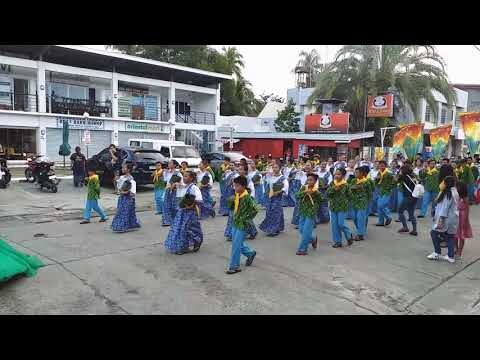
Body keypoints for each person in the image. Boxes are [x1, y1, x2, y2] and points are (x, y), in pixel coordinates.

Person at [164, 171, 203, 255]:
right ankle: (182, 246)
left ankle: (197, 241)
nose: (183, 178)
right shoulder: (182, 186)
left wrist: (191, 206)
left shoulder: (194, 188)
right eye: (183, 176)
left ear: (191, 178)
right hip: (181, 211)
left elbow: (199, 200)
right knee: (179, 228)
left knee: (190, 229)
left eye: (186, 176)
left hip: (190, 212)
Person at [225, 175, 258, 274]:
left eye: (237, 186)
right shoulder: (237, 195)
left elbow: (255, 210)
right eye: (234, 186)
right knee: (236, 242)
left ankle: (234, 266)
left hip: (242, 224)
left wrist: (246, 218)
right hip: (235, 222)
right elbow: (232, 208)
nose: (235, 188)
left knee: (235, 245)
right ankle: (250, 253)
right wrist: (230, 201)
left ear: (244, 186)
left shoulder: (247, 197)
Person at [427, 176, 459, 263]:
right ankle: (450, 256)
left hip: (446, 219)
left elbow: (444, 208)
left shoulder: (448, 193)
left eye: (443, 182)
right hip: (453, 219)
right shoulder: (454, 191)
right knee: (449, 236)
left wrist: (440, 220)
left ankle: (437, 252)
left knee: (433, 233)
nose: (442, 184)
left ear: (446, 183)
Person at [295, 173, 323, 255]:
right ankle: (312, 239)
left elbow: (322, 199)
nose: (309, 181)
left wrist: (315, 193)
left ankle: (303, 249)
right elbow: (297, 196)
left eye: (311, 180)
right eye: (308, 179)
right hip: (303, 211)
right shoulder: (304, 187)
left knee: (306, 231)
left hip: (311, 212)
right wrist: (304, 192)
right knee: (301, 229)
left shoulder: (316, 190)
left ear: (315, 181)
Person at [259, 162, 288, 237]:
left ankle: (274, 230)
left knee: (275, 212)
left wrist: (280, 191)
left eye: (276, 167)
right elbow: (262, 176)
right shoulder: (270, 176)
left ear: (280, 168)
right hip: (270, 197)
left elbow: (286, 187)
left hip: (277, 198)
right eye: (273, 167)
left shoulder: (283, 178)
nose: (274, 169)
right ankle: (277, 227)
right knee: (269, 212)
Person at [327, 168, 353, 248]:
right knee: (334, 225)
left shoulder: (346, 185)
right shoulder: (332, 183)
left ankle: (348, 235)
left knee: (340, 224)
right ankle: (337, 241)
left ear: (343, 175)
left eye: (339, 174)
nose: (336, 176)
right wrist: (333, 189)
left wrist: (346, 202)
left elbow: (350, 196)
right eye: (336, 174)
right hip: (333, 206)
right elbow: (328, 193)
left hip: (342, 207)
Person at [111, 163, 140, 233]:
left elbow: (132, 192)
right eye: (122, 168)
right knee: (121, 212)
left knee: (125, 213)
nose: (122, 169)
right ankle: (130, 225)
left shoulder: (131, 179)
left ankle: (122, 226)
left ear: (128, 169)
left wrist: (124, 193)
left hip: (128, 199)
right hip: (122, 198)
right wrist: (115, 181)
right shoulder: (121, 177)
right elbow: (118, 187)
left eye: (124, 168)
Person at [350, 167, 374, 241]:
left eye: (357, 172)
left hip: (363, 202)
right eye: (355, 172)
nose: (355, 174)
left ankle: (360, 234)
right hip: (354, 201)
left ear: (362, 174)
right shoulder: (353, 180)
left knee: (360, 218)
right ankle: (361, 230)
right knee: (354, 217)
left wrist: (368, 202)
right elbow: (349, 189)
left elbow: (370, 193)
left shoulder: (366, 182)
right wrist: (352, 188)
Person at [396, 164, 418, 236]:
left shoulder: (403, 177)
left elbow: (395, 180)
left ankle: (405, 227)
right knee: (411, 213)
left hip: (407, 197)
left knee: (400, 211)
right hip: (414, 197)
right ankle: (414, 230)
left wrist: (398, 173)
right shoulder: (413, 176)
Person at [161, 160, 183, 227]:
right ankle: (166, 221)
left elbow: (181, 183)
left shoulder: (178, 173)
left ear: (174, 165)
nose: (168, 164)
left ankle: (175, 219)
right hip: (167, 191)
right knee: (165, 205)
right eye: (168, 163)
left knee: (174, 206)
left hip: (175, 191)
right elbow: (165, 181)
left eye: (170, 163)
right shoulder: (166, 172)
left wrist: (176, 184)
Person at [455, 181, 472, 259]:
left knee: (461, 236)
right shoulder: (456, 196)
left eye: (457, 187)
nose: (456, 188)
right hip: (456, 218)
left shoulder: (465, 198)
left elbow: (467, 210)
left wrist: (465, 221)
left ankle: (459, 252)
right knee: (454, 235)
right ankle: (456, 248)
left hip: (463, 218)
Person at [374, 160, 395, 227]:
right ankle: (381, 221)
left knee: (382, 205)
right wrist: (376, 179)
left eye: (383, 165)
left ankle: (388, 217)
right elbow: (376, 183)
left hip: (386, 191)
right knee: (379, 206)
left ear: (385, 166)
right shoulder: (379, 173)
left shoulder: (388, 173)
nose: (381, 166)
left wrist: (390, 188)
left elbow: (394, 181)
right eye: (380, 165)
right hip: (380, 191)